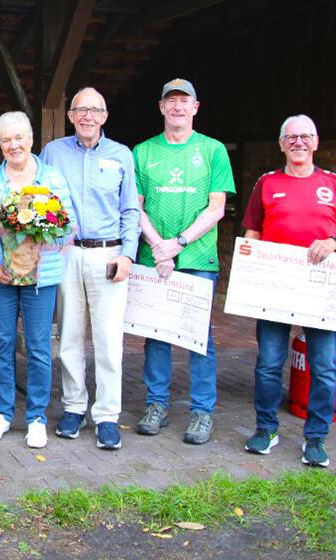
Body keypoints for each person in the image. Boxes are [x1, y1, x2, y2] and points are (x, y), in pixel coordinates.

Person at [241, 115, 336, 467]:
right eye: (290, 137)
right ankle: (266, 430)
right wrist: (251, 262)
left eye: (305, 137)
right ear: (281, 144)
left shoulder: (334, 184)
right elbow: (253, 233)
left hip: (319, 291)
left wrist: (333, 241)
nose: (298, 143)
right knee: (268, 364)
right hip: (276, 288)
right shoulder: (267, 183)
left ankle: (316, 438)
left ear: (316, 142)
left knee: (324, 367)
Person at [132, 78, 235, 445]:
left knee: (199, 338)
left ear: (195, 107)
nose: (177, 107)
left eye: (184, 101)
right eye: (170, 101)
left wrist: (178, 243)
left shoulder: (212, 150)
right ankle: (156, 404)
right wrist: (158, 245)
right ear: (161, 107)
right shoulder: (142, 152)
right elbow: (136, 207)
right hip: (152, 254)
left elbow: (217, 207)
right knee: (156, 335)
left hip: (197, 256)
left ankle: (202, 411)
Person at [38, 87, 139, 450]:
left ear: (105, 116)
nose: (87, 116)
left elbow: (130, 209)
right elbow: (31, 193)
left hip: (108, 254)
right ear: (70, 116)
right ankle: (73, 407)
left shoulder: (121, 155)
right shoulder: (52, 152)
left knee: (109, 341)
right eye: (80, 110)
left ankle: (108, 415)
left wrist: (128, 254)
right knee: (68, 336)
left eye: (95, 110)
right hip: (65, 254)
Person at [0, 111, 74, 448]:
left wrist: (44, 236)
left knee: (39, 348)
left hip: (41, 278)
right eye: (6, 140)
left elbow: (69, 226)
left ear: (30, 140)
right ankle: (2, 413)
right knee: (1, 346)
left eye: (19, 138)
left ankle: (37, 417)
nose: (14, 145)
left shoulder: (52, 179)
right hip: (0, 278)